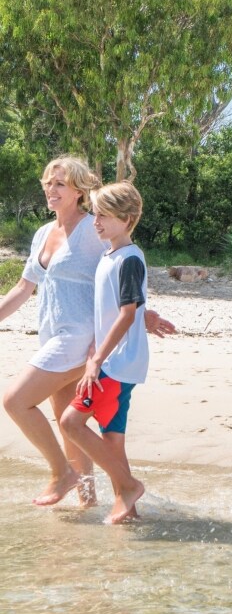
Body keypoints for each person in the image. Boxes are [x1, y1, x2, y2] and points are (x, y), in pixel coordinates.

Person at [1, 156, 174, 508]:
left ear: (79, 190)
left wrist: (143, 314)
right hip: (52, 335)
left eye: (60, 183)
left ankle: (61, 474)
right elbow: (22, 288)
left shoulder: (92, 230)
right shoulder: (41, 234)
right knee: (69, 428)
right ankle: (88, 505)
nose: (51, 188)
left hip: (80, 339)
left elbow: (121, 270)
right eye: (48, 182)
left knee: (15, 401)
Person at [61, 182, 149, 525]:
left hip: (116, 363)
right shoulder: (110, 255)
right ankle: (128, 510)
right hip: (116, 361)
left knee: (71, 422)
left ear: (127, 219)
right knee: (112, 440)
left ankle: (128, 486)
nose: (96, 221)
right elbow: (127, 307)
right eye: (95, 213)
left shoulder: (128, 258)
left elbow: (128, 313)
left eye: (104, 215)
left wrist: (96, 360)